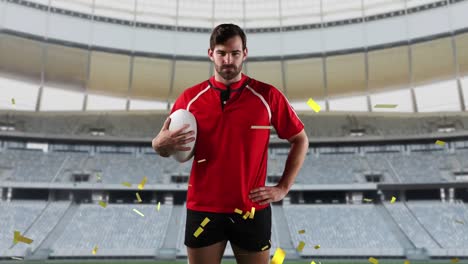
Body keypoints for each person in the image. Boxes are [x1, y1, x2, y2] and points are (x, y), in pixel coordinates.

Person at [152, 23, 309, 264]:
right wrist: (158, 144)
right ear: (210, 54)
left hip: (251, 208)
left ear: (244, 53)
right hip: (203, 207)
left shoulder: (268, 96)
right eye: (221, 53)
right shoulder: (189, 99)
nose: (228, 60)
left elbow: (300, 139)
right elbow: (166, 147)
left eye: (235, 53)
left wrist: (283, 188)